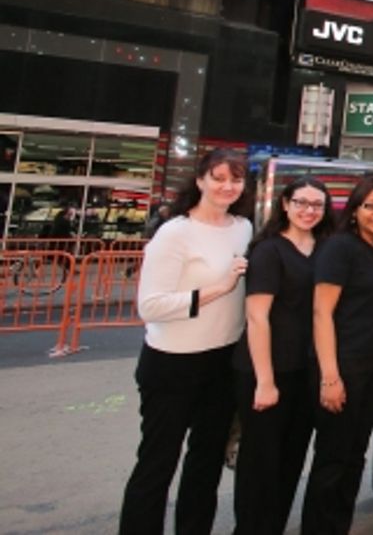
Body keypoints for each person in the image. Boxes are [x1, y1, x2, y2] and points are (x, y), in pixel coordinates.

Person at [120, 149, 254, 535]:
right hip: (171, 362)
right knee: (157, 463)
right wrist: (217, 289)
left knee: (206, 463)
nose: (227, 186)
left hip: (223, 361)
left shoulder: (243, 227)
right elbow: (150, 305)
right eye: (219, 177)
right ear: (200, 181)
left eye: (236, 179)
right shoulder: (175, 231)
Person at [303, 176, 373, 535]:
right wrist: (330, 376)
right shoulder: (339, 247)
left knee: (354, 456)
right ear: (355, 210)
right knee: (332, 460)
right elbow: (321, 313)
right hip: (341, 368)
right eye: (370, 206)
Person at [233, 176, 332, 535]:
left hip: (305, 370)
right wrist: (265, 381)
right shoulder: (269, 250)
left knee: (291, 461)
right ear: (286, 205)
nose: (309, 210)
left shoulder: (325, 248)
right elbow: (257, 317)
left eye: (317, 204)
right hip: (266, 372)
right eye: (301, 202)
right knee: (261, 464)